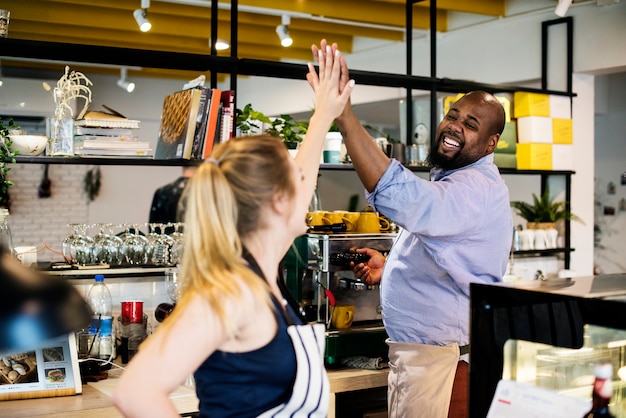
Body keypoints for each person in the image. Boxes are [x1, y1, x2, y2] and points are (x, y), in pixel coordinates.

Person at [112, 46, 354, 417]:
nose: (307, 192)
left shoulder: (265, 275)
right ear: (276, 201)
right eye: (298, 183)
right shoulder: (234, 290)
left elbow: (300, 181)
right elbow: (135, 391)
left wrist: (324, 114)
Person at [308, 40, 513, 418]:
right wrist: (391, 270)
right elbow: (445, 258)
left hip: (443, 367)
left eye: (471, 125)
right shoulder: (456, 184)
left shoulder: (475, 190)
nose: (455, 127)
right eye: (453, 116)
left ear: (491, 143)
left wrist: (345, 118)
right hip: (429, 357)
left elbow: (406, 200)